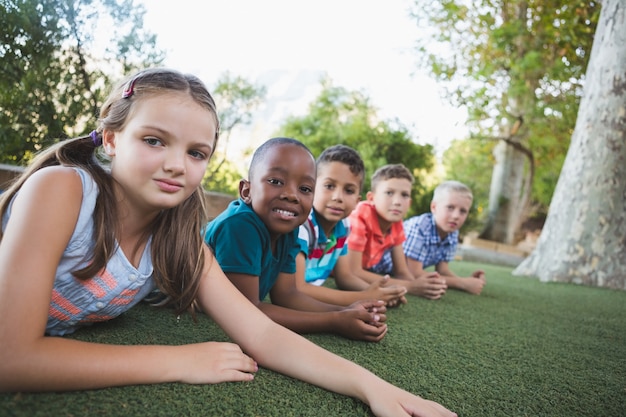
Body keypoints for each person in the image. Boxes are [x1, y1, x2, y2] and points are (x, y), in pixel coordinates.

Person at [0, 68, 456, 417]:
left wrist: (372, 386)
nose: (177, 165)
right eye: (155, 140)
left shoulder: (176, 236)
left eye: (196, 152)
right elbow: (12, 358)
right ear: (113, 137)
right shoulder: (63, 190)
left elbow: (259, 332)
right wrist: (176, 361)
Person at [204, 138, 389, 342]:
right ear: (246, 191)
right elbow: (246, 311)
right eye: (276, 181)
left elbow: (288, 294)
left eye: (305, 189)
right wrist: (334, 321)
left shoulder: (290, 229)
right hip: (167, 300)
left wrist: (345, 311)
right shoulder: (240, 226)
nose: (292, 195)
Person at [296, 144, 407, 307]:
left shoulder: (344, 226)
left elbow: (344, 276)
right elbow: (298, 288)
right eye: (329, 186)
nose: (337, 197)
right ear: (312, 187)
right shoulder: (302, 225)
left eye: (348, 190)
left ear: (357, 201)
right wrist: (366, 297)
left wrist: (377, 292)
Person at [345, 164, 448, 300]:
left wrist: (423, 286)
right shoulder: (360, 216)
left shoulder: (396, 223)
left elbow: (402, 271)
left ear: (409, 203)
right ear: (371, 198)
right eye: (389, 193)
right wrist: (410, 287)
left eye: (404, 195)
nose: (397, 202)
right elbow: (353, 271)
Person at [375, 180, 486, 296]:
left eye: (463, 211)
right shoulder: (420, 227)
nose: (456, 216)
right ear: (434, 207)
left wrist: (468, 281)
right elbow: (414, 273)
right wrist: (462, 283)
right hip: (377, 268)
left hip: (395, 275)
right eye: (450, 207)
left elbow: (442, 269)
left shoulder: (452, 232)